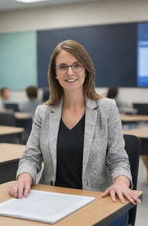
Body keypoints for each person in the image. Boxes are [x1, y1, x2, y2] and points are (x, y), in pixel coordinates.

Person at [9, 40, 140, 226]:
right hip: (52, 202)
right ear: (55, 73)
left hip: (97, 200)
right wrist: (24, 178)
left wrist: (120, 182)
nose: (70, 72)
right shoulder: (43, 112)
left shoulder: (107, 108)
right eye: (63, 67)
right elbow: (31, 156)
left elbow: (118, 159)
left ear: (86, 69)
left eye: (76, 65)